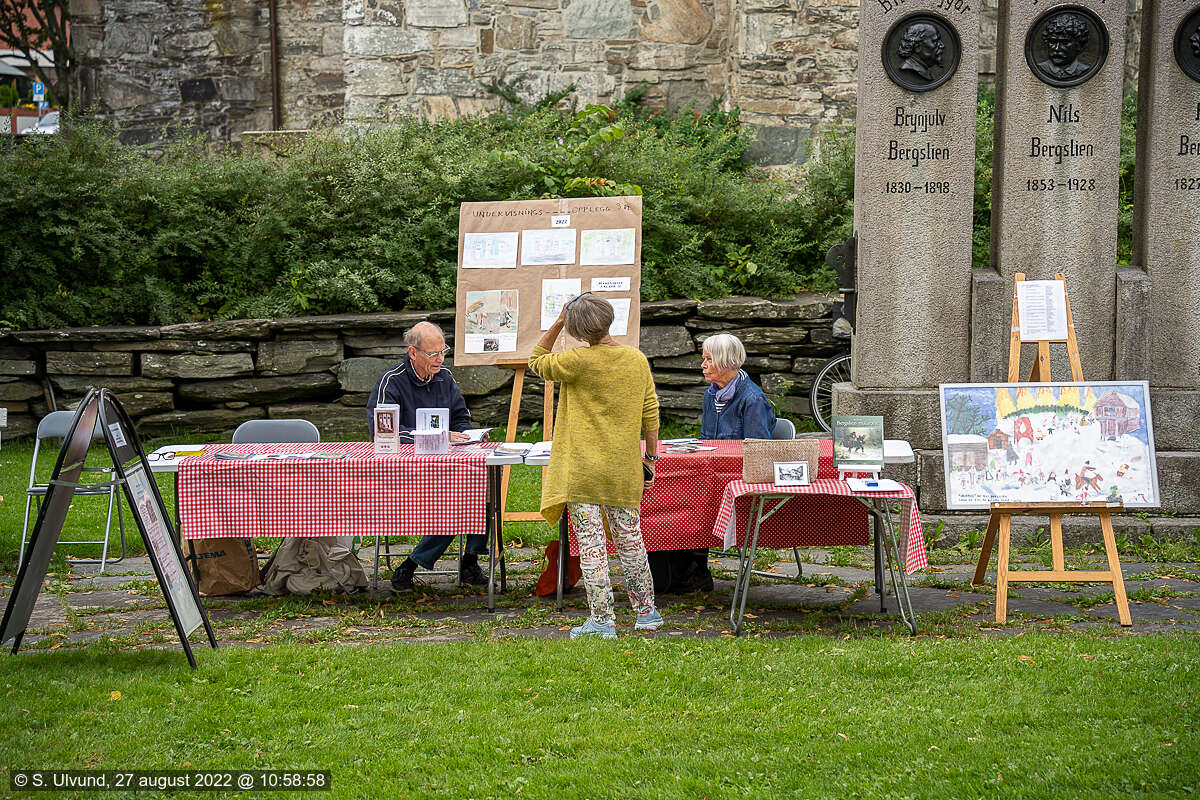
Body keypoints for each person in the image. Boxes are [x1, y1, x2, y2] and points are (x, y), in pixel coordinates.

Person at [528, 292, 663, 639]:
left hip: (582, 471)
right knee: (631, 541)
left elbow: (536, 360)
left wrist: (559, 321)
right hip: (623, 469)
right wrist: (650, 458)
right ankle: (646, 612)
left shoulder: (576, 361)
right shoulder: (636, 360)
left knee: (591, 545)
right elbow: (650, 413)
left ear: (577, 330)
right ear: (608, 319)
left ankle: (602, 620)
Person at [650, 333, 778, 594]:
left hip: (738, 480)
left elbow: (758, 452)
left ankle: (692, 571)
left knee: (690, 500)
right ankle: (681, 572)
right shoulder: (711, 395)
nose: (703, 365)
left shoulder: (752, 399)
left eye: (709, 359)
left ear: (727, 361)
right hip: (711, 475)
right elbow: (706, 439)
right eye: (704, 359)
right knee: (671, 496)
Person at [365, 321, 487, 591]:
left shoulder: (445, 378)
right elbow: (383, 432)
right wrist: (437, 436)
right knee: (454, 502)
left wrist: (470, 435)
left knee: (482, 489)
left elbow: (461, 418)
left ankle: (470, 559)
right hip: (404, 472)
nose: (440, 359)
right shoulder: (391, 381)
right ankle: (411, 564)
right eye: (433, 354)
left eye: (443, 351)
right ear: (413, 353)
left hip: (446, 467)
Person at [1036, 12, 1091, 81]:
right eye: (1052, 42)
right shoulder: (1042, 67)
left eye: (1065, 43)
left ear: (1079, 45)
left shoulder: (1084, 69)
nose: (1057, 48)